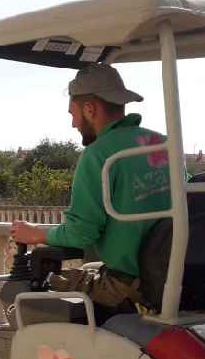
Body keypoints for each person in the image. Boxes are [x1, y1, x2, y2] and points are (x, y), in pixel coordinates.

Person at [10, 63, 171, 313]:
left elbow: (82, 234)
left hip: (130, 285)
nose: (73, 123)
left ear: (89, 109)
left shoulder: (99, 154)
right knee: (86, 270)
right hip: (170, 276)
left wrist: (37, 234)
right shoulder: (162, 143)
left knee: (29, 298)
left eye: (72, 113)